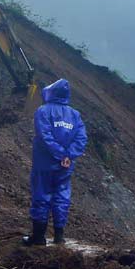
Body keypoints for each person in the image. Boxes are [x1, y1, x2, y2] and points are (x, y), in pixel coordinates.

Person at [23, 78, 88, 246]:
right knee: (61, 197)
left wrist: (59, 154)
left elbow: (45, 137)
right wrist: (68, 156)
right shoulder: (75, 115)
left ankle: (38, 237)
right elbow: (81, 139)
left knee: (41, 196)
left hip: (44, 164)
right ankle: (59, 236)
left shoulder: (42, 111)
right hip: (65, 166)